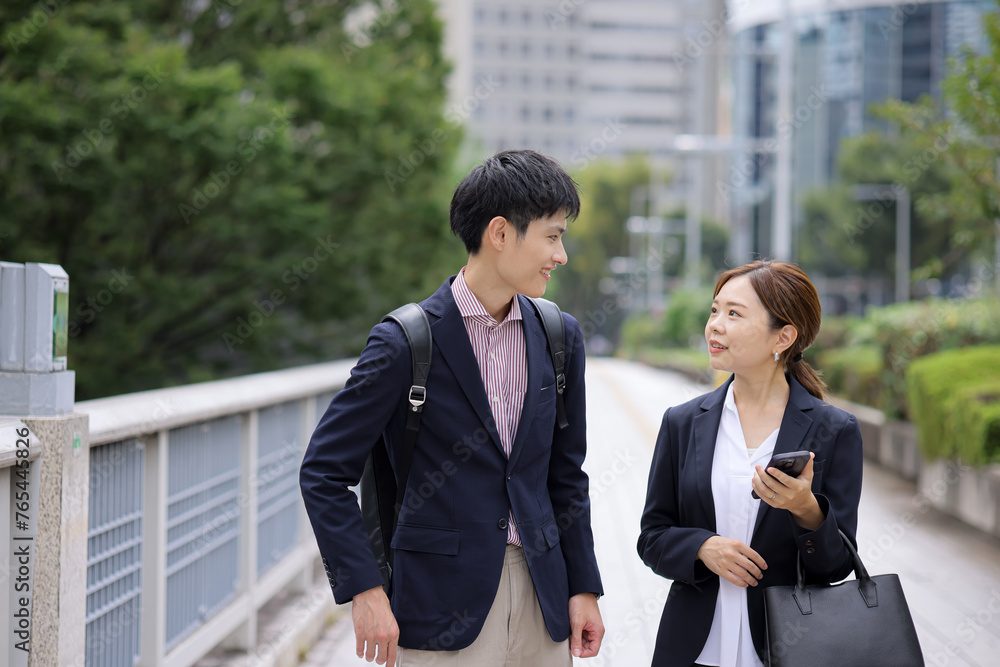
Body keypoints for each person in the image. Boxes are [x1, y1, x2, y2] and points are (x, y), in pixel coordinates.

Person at [300, 149, 605, 666]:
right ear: (501, 233)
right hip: (439, 607)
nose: (561, 255)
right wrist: (365, 590)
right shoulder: (405, 343)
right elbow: (324, 472)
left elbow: (565, 474)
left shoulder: (559, 336)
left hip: (542, 600)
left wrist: (583, 588)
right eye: (552, 236)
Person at [636, 260, 863, 667]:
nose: (715, 325)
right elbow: (652, 537)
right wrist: (702, 547)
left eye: (734, 314)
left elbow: (836, 566)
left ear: (784, 336)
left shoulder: (834, 430)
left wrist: (805, 509)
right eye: (714, 310)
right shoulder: (683, 422)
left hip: (787, 650)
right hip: (693, 650)